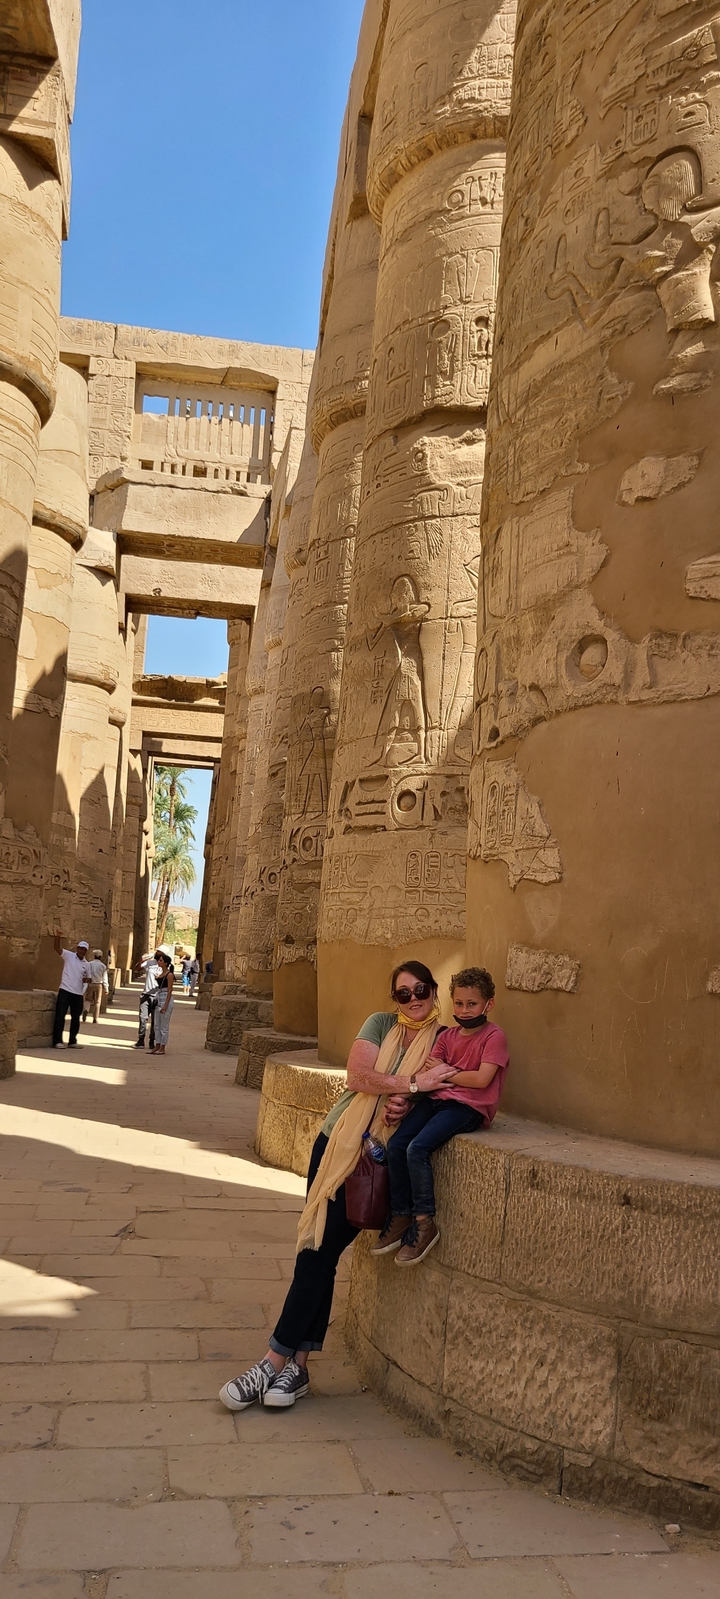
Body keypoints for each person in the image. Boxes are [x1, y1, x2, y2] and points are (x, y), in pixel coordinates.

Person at [219, 960, 452, 1413]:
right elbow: (358, 1077)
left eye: (420, 989)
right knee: (315, 1249)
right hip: (336, 1141)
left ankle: (271, 1361)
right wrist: (409, 1083)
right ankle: (296, 1365)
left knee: (321, 1252)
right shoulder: (380, 1024)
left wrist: (410, 1101)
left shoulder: (444, 1038)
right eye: (403, 993)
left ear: (433, 989)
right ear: (394, 1000)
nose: (414, 999)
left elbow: (443, 1088)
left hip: (376, 1158)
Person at [373, 966, 509, 1266]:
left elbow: (481, 1080)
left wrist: (445, 1073)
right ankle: (400, 1215)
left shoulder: (494, 1036)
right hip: (436, 1100)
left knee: (417, 1148)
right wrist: (404, 1097)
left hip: (467, 1108)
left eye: (472, 1004)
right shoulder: (449, 1036)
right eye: (458, 1003)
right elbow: (428, 1074)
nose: (464, 1010)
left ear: (489, 1004)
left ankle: (424, 1222)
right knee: (397, 1144)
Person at [52, 935, 91, 1049]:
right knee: (60, 1016)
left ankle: (72, 1041)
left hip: (78, 993)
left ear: (86, 951)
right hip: (65, 989)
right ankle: (57, 1041)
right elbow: (56, 948)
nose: (82, 951)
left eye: (84, 949)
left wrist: (87, 980)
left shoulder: (87, 964)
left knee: (75, 1018)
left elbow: (89, 978)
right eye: (80, 948)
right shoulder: (69, 956)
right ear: (77, 948)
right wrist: (57, 937)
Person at [134, 952, 161, 1050]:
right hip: (146, 994)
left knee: (155, 1021)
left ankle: (152, 1041)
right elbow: (137, 969)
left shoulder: (166, 965)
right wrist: (142, 960)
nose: (158, 953)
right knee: (143, 1018)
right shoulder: (150, 963)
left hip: (157, 995)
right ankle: (141, 1040)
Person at [151, 952, 174, 1054]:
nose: (158, 962)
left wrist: (165, 1005)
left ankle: (163, 1047)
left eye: (160, 960)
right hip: (159, 996)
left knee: (164, 1025)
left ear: (165, 963)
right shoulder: (160, 974)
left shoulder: (169, 975)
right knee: (157, 1024)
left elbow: (169, 990)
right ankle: (157, 1044)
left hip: (165, 998)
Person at [82, 949, 109, 1024]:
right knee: (97, 1002)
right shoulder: (103, 966)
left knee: (87, 999)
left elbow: (85, 974)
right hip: (98, 984)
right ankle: (95, 1018)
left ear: (94, 956)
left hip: (90, 983)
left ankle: (86, 1010)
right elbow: (104, 978)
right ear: (100, 957)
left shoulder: (89, 964)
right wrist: (106, 988)